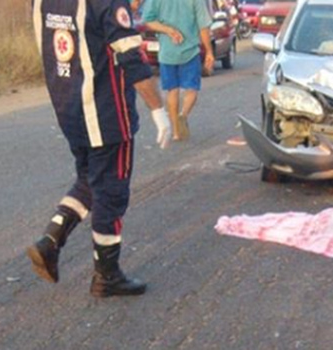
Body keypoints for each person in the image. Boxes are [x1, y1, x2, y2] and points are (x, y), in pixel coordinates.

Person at [28, 0, 171, 298]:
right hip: (105, 114)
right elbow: (132, 57)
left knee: (89, 179)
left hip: (67, 107)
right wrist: (158, 110)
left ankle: (51, 241)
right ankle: (107, 275)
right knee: (111, 191)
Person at [142, 0, 215, 141]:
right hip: (190, 52)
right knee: (192, 90)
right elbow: (203, 26)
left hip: (167, 53)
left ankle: (176, 132)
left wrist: (168, 30)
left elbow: (148, 21)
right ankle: (183, 115)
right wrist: (209, 52)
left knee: (172, 91)